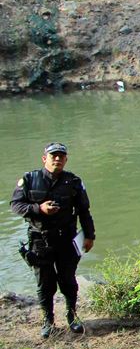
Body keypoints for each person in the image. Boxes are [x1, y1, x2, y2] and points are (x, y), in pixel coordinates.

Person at [11, 142, 95, 337]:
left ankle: (72, 316)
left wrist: (90, 235)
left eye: (61, 156)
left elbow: (84, 211)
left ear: (66, 160)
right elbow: (16, 205)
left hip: (67, 240)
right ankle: (47, 320)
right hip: (39, 240)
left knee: (68, 281)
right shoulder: (30, 179)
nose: (57, 159)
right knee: (44, 283)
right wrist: (38, 209)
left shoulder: (73, 181)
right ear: (44, 159)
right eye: (53, 156)